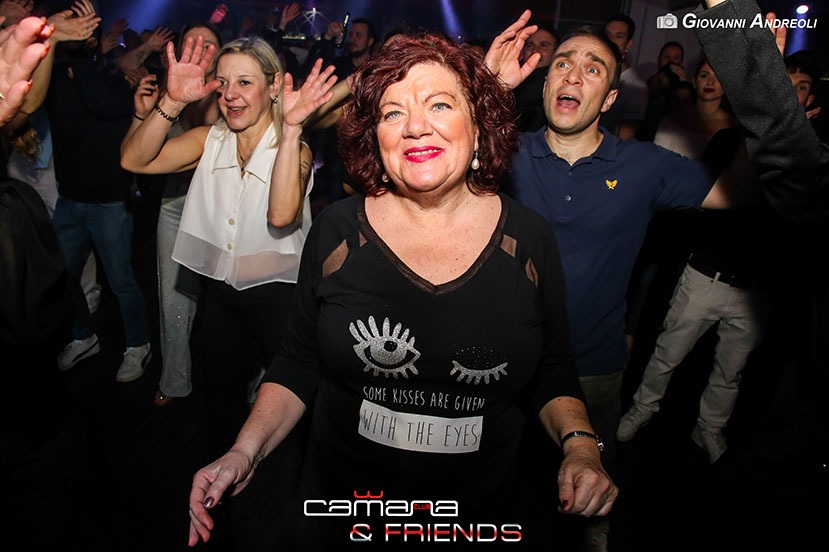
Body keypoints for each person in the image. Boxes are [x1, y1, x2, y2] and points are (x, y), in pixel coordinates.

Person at [188, 31, 617, 549]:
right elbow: (298, 362)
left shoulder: (528, 239)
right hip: (344, 510)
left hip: (475, 515)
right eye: (393, 113)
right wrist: (245, 451)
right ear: (376, 138)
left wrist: (580, 448)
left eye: (440, 104)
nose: (415, 126)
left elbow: (553, 367)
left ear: (479, 126)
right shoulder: (336, 232)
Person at [121, 36, 335, 455]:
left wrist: (292, 128)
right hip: (221, 295)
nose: (231, 95)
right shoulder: (209, 140)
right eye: (223, 83)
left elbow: (281, 216)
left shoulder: (295, 147)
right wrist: (172, 100)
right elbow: (134, 160)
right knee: (220, 399)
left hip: (282, 300)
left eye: (245, 82)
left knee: (291, 407)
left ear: (273, 87)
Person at [616, 59, 770, 463]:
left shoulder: (797, 155)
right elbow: (716, 202)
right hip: (706, 272)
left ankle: (710, 428)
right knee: (668, 353)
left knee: (730, 371)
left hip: (754, 285)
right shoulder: (727, 141)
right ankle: (641, 409)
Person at [139, 21, 223, 407]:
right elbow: (136, 155)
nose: (199, 49)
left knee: (232, 301)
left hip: (224, 210)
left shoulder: (234, 94)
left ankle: (254, 382)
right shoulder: (167, 90)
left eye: (209, 44)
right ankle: (174, 379)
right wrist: (145, 113)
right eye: (192, 42)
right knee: (173, 299)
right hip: (176, 204)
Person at [601, 13, 647, 140]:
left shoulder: (636, 87)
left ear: (629, 44)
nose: (611, 40)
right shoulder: (594, 75)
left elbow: (625, 138)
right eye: (608, 35)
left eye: (619, 36)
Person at [512, 20, 559, 132]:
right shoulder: (511, 80)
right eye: (530, 45)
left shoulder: (558, 84)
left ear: (556, 52)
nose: (535, 51)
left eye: (544, 46)